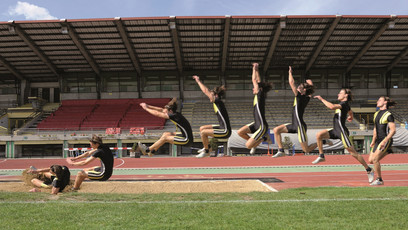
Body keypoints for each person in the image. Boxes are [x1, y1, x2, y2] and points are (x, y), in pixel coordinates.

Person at [312, 89, 374, 182]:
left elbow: (332, 107)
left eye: (340, 93)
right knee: (319, 135)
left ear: (345, 95)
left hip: (341, 132)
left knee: (353, 153)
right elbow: (350, 111)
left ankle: (368, 169)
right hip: (335, 130)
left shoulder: (344, 104)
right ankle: (321, 156)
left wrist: (321, 99)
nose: (338, 94)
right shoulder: (345, 105)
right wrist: (351, 116)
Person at [272, 66, 317, 157]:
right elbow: (310, 86)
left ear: (303, 90)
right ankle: (281, 150)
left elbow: (291, 82)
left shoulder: (300, 96)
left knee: (306, 149)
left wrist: (290, 73)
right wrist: (307, 78)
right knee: (276, 130)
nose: (297, 87)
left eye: (299, 87)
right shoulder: (307, 96)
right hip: (294, 124)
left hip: (300, 126)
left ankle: (322, 141)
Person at [237, 63, 273, 154]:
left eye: (254, 87)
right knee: (240, 132)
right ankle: (254, 143)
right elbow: (258, 80)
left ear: (259, 89)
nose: (253, 89)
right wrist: (257, 70)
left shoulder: (260, 95)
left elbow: (254, 80)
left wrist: (253, 69)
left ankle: (263, 138)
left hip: (261, 126)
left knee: (248, 146)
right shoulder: (260, 94)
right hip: (256, 123)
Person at [193, 75, 231, 158]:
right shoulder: (217, 101)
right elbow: (208, 91)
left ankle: (207, 151)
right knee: (202, 128)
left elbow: (205, 91)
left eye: (212, 95)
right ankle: (208, 147)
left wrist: (198, 81)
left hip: (225, 130)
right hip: (222, 127)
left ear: (216, 96)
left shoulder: (217, 101)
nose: (209, 97)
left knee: (203, 133)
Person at [368, 96, 396, 185]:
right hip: (378, 140)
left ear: (385, 102)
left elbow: (393, 130)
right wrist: (373, 140)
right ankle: (388, 150)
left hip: (385, 140)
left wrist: (385, 141)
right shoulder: (376, 114)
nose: (377, 102)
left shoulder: (389, 115)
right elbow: (375, 129)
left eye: (379, 100)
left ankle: (379, 179)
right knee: (370, 160)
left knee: (375, 159)